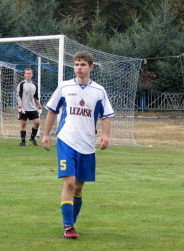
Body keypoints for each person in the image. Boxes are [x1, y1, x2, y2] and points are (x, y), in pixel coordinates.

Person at [41, 51, 114, 239]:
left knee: (79, 188)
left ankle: (70, 223)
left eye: (82, 64)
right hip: (66, 140)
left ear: (91, 67)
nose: (79, 68)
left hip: (87, 144)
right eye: (76, 64)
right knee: (70, 182)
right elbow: (52, 111)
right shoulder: (64, 87)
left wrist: (105, 135)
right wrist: (46, 134)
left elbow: (106, 115)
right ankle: (68, 227)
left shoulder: (99, 91)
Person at [16, 68, 42, 146]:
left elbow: (36, 97)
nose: (28, 75)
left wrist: (39, 106)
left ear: (32, 74)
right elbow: (18, 95)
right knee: (23, 124)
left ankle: (32, 137)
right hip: (24, 108)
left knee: (37, 123)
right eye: (27, 73)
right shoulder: (21, 84)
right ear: (24, 74)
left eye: (30, 73)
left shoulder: (34, 85)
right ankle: (23, 142)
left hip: (32, 108)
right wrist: (20, 104)